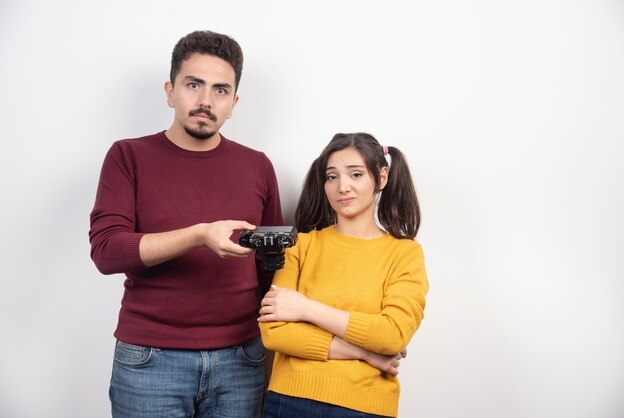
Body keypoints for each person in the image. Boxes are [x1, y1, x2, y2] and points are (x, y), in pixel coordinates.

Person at [89, 30, 283, 418]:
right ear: (170, 90)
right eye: (194, 85)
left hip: (242, 360)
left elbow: (272, 265)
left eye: (221, 90)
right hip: (150, 361)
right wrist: (198, 235)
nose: (206, 101)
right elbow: (108, 252)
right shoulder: (129, 156)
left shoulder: (257, 165)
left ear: (234, 103)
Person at [258, 132, 428, 418]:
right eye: (332, 177)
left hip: (364, 407)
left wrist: (305, 308)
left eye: (356, 174)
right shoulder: (301, 245)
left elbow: (392, 335)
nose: (342, 187)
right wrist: (363, 352)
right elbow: (275, 334)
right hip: (288, 400)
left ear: (382, 177)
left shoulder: (405, 254)